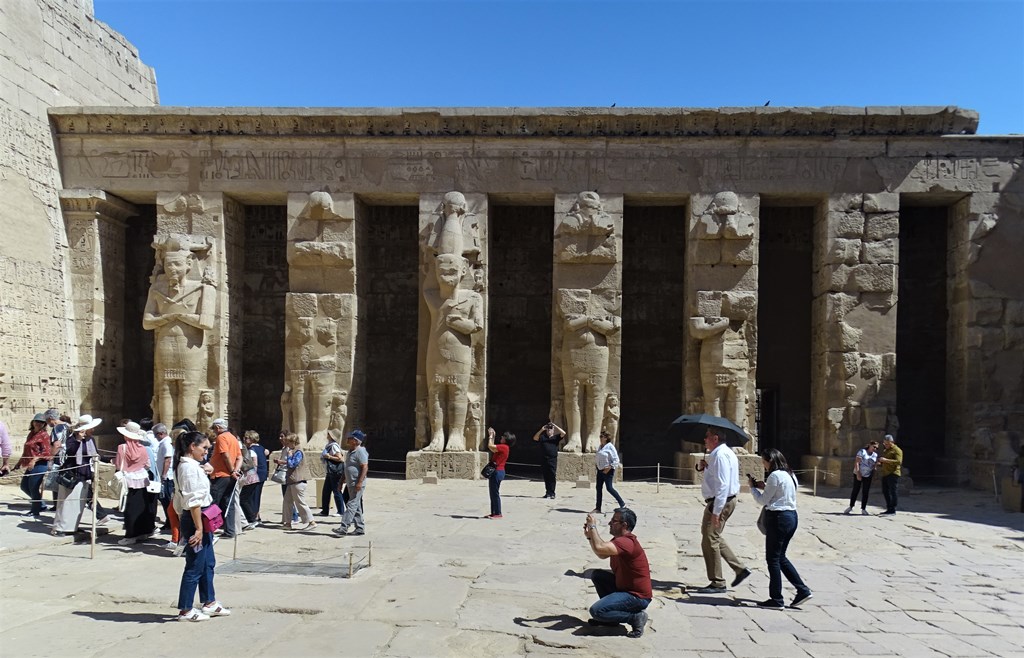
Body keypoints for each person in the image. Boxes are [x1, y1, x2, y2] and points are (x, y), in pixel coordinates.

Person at [173, 430, 230, 622]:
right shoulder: (187, 468)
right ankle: (185, 609)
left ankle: (209, 602)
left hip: (203, 517)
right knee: (195, 565)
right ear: (192, 447)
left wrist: (208, 470)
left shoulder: (194, 466)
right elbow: (193, 502)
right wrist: (198, 529)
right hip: (196, 518)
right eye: (204, 448)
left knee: (207, 562)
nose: (207, 452)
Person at [748, 448, 813, 609]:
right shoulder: (790, 474)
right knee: (780, 557)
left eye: (763, 461)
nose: (763, 465)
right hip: (791, 517)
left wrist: (752, 488)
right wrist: (764, 486)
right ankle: (802, 590)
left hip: (778, 518)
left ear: (769, 461)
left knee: (773, 559)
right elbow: (781, 493)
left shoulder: (774, 475)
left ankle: (776, 599)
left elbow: (763, 500)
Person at [582, 507, 651, 638]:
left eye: (614, 521)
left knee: (596, 611)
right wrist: (590, 537)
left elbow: (600, 547)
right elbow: (601, 554)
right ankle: (611, 619)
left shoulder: (627, 542)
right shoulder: (619, 540)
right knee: (598, 575)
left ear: (624, 525)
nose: (609, 523)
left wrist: (592, 527)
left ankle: (635, 617)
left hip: (636, 597)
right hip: (624, 588)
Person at [695, 427, 749, 593]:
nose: (704, 439)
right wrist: (707, 467)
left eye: (707, 436)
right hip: (722, 501)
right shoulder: (721, 454)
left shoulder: (719, 455)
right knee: (712, 536)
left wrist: (716, 512)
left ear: (715, 438)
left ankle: (717, 582)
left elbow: (723, 485)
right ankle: (739, 569)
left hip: (721, 501)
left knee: (709, 539)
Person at [51, 414, 102, 535]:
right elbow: (70, 452)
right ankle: (60, 528)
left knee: (78, 504)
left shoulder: (90, 440)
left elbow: (94, 454)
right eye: (91, 428)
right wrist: (78, 439)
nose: (93, 430)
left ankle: (72, 526)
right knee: (66, 502)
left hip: (84, 473)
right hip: (72, 473)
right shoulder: (72, 439)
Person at [115, 421, 158, 545]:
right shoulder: (143, 448)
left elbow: (119, 465)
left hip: (128, 480)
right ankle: (144, 531)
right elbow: (147, 465)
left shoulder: (122, 447)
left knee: (129, 508)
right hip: (142, 478)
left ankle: (131, 534)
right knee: (142, 506)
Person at [208, 419, 242, 538]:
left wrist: (232, 470)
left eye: (213, 428)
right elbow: (239, 457)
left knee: (213, 503)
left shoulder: (221, 437)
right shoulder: (233, 437)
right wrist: (235, 471)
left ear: (217, 427)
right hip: (230, 475)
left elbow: (225, 454)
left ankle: (209, 531)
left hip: (220, 474)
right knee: (229, 503)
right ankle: (230, 530)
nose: (213, 431)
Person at [275, 432, 315, 530]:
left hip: (298, 481)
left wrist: (288, 456)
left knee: (300, 502)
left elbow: (293, 464)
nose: (287, 445)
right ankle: (287, 523)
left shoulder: (298, 452)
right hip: (291, 481)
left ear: (293, 442)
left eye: (288, 443)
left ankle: (311, 521)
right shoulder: (293, 450)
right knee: (287, 501)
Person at [17, 413, 52, 518]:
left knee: (33, 487)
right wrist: (20, 462)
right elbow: (27, 450)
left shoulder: (44, 435)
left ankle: (35, 510)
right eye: (36, 421)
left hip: (40, 464)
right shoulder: (31, 433)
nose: (38, 423)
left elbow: (46, 452)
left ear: (44, 424)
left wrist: (34, 460)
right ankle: (40, 504)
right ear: (32, 422)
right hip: (30, 463)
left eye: (41, 422)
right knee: (24, 486)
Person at [334, 430, 369, 535]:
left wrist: (360, 482)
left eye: (350, 438)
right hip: (350, 483)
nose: (347, 439)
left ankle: (344, 527)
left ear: (355, 441)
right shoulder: (350, 452)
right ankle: (360, 528)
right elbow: (347, 468)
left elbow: (364, 467)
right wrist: (341, 482)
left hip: (357, 483)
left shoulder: (360, 451)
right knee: (356, 505)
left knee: (351, 504)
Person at [153, 423, 180, 550]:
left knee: (169, 504)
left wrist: (163, 474)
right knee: (167, 504)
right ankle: (170, 525)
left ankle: (175, 534)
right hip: (167, 477)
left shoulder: (166, 443)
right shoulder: (164, 443)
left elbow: (168, 460)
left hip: (168, 478)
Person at [484, 428, 515, 519]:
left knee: (495, 493)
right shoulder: (503, 447)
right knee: (492, 493)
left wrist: (490, 436)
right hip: (497, 471)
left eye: (503, 436)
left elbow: (490, 446)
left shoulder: (504, 447)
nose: (501, 437)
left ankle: (498, 513)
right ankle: (494, 512)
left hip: (497, 471)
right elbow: (493, 448)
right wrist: (493, 436)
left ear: (506, 439)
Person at [593, 431, 626, 514]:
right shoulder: (600, 447)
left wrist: (610, 467)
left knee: (609, 488)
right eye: (600, 436)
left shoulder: (610, 447)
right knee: (598, 488)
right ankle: (598, 508)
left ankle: (622, 504)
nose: (600, 438)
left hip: (608, 470)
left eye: (602, 436)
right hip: (600, 470)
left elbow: (616, 459)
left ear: (606, 438)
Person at [845, 441, 879, 515]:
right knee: (856, 489)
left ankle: (863, 508)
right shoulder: (862, 451)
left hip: (868, 474)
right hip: (859, 472)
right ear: (870, 445)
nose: (875, 449)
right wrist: (858, 473)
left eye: (876, 448)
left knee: (865, 491)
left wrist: (875, 470)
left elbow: (873, 465)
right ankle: (851, 506)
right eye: (874, 447)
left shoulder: (875, 455)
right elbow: (857, 462)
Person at [533, 421, 564, 499]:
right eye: (548, 429)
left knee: (552, 476)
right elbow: (535, 438)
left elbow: (563, 433)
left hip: (552, 459)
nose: (549, 430)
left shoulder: (556, 438)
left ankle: (552, 492)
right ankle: (548, 492)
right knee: (546, 476)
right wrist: (542, 429)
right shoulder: (543, 437)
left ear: (553, 430)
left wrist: (555, 426)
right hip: (544, 459)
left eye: (550, 429)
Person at [239, 431, 263, 529]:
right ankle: (253, 517)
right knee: (250, 499)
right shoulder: (259, 448)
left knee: (245, 499)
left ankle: (252, 518)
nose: (244, 439)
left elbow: (254, 464)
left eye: (246, 438)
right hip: (254, 477)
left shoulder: (251, 450)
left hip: (250, 477)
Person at [319, 430, 345, 517]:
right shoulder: (329, 445)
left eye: (329, 434)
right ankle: (325, 510)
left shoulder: (334, 446)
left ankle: (341, 511)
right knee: (326, 491)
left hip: (334, 472)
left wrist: (329, 456)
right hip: (330, 472)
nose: (327, 435)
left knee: (336, 491)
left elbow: (340, 458)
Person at [877, 434, 903, 516]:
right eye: (884, 444)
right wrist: (880, 463)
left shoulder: (897, 450)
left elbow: (898, 462)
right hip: (885, 473)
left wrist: (886, 460)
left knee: (893, 491)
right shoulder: (886, 451)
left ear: (892, 442)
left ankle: (893, 509)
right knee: (885, 491)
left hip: (893, 473)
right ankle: (888, 508)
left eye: (887, 444)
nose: (886, 445)